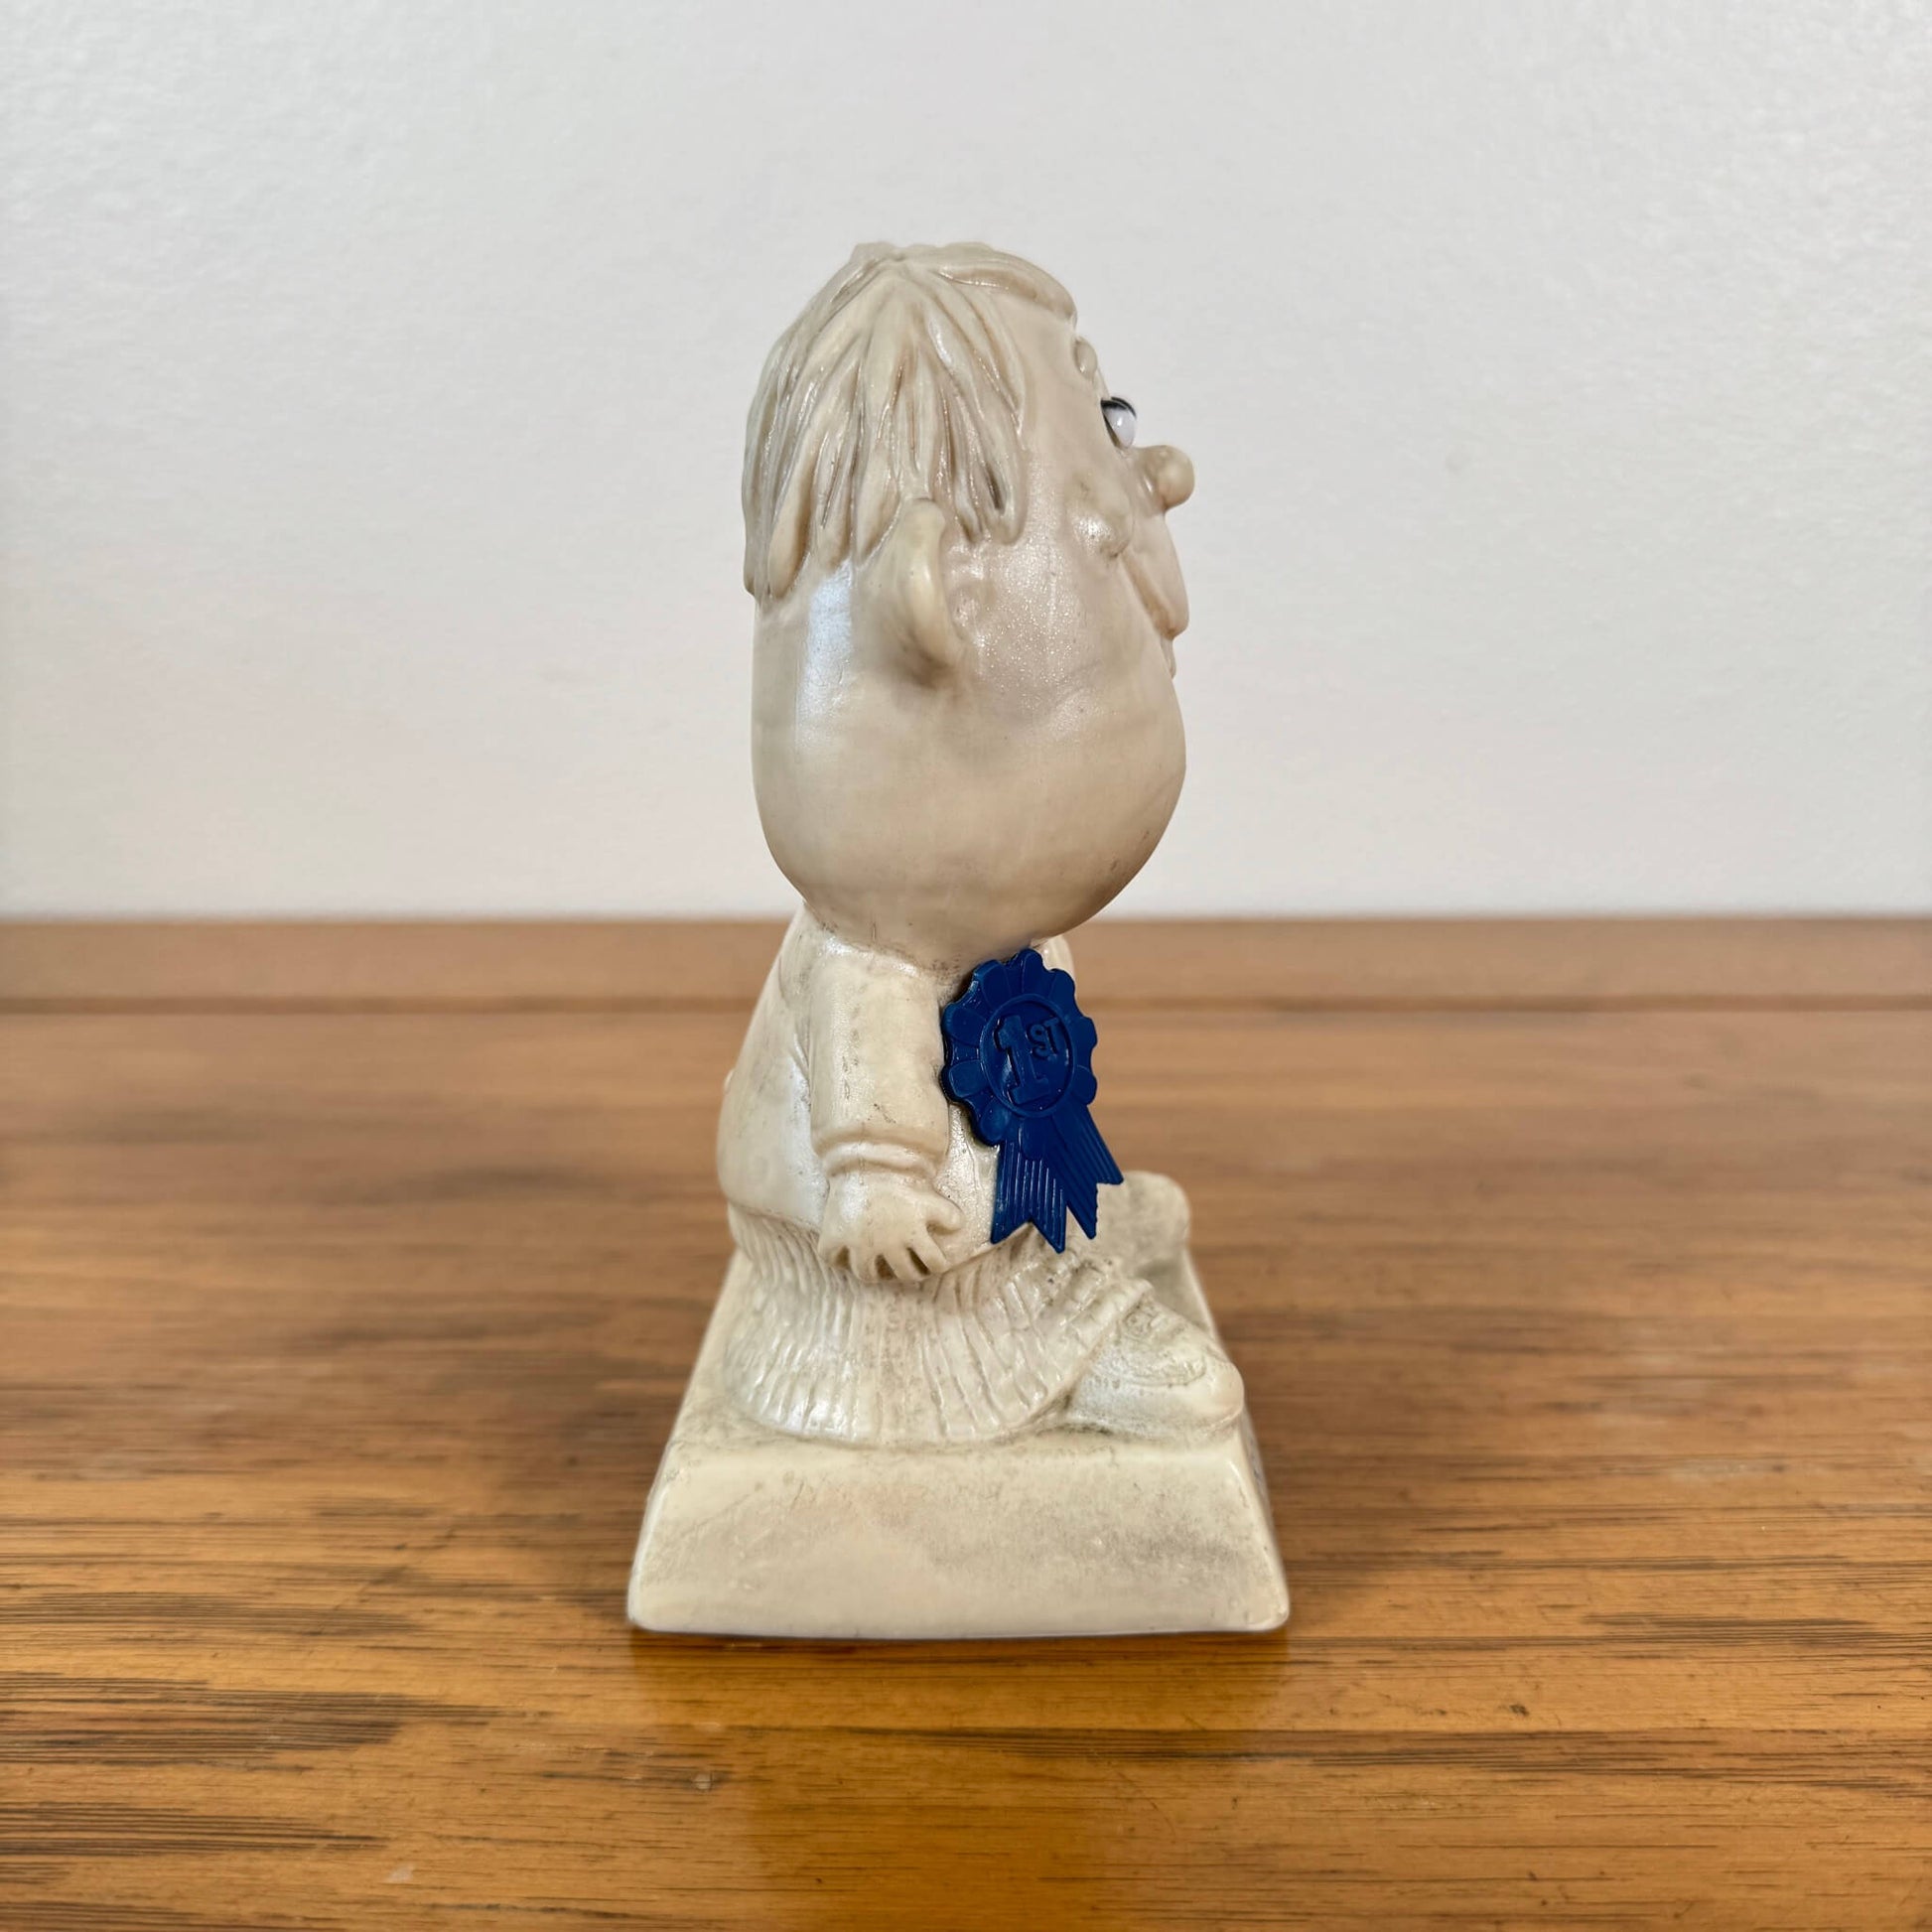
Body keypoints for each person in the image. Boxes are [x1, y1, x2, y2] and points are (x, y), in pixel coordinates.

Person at [716, 242, 1242, 1448]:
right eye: (1098, 426)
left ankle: (1048, 1214)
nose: (1151, 471)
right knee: (938, 1264)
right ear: (940, 593)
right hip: (897, 1250)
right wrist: (875, 1177)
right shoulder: (878, 947)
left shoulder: (972, 924)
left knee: (1011, 1098)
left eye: (1114, 414)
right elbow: (868, 1048)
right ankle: (1021, 1336)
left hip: (959, 1151)